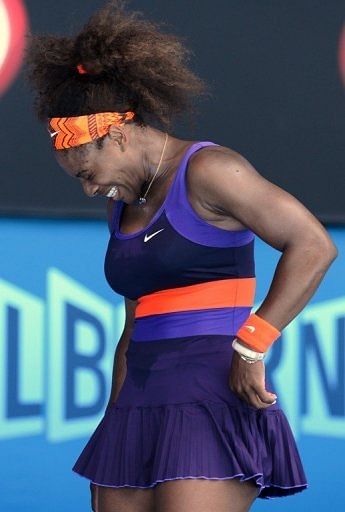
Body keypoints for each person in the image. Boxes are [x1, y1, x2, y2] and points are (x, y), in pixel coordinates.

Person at [24, 1, 338, 511]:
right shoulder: (123, 200)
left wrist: (252, 345)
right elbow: (133, 325)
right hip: (136, 406)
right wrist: (115, 419)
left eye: (87, 173)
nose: (89, 189)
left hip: (211, 397)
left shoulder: (210, 169)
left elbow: (314, 245)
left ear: (118, 135)